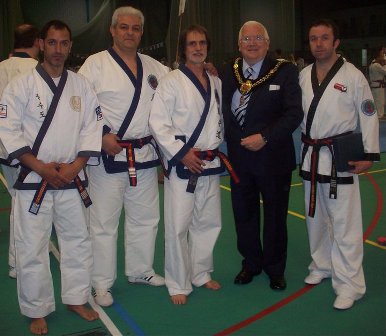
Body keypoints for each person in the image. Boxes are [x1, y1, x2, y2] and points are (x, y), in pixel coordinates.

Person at [0, 20, 101, 334]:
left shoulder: (81, 85)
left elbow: (92, 127)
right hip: (34, 179)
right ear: (41, 44)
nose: (58, 49)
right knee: (32, 246)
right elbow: (8, 130)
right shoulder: (21, 85)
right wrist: (41, 167)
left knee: (78, 241)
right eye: (53, 42)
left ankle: (76, 297)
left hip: (72, 177)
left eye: (64, 43)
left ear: (70, 46)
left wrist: (75, 165)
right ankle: (37, 308)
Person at [78, 6, 169, 307]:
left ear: (141, 33)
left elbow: (178, 92)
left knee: (145, 218)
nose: (130, 33)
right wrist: (101, 134)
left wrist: (206, 71)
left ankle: (140, 270)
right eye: (124, 27)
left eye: (135, 28)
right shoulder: (95, 64)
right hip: (109, 156)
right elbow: (80, 104)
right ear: (113, 30)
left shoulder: (155, 67)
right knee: (103, 222)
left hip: (143, 154)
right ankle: (101, 283)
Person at [299, 19, 380, 310]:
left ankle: (350, 284)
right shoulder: (304, 75)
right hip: (312, 154)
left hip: (340, 156)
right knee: (315, 217)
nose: (318, 43)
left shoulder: (353, 75)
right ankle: (321, 264)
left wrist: (368, 154)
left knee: (345, 223)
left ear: (336, 42)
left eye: (324, 38)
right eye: (313, 38)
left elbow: (368, 113)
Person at [220, 21, 302, 290]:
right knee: (243, 215)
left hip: (273, 158)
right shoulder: (226, 72)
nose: (252, 43)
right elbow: (221, 111)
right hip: (239, 160)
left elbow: (293, 113)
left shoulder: (285, 72)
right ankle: (251, 264)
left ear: (267, 43)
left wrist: (264, 137)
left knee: (276, 217)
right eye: (246, 39)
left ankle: (275, 268)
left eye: (258, 38)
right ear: (238, 44)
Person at [150, 24, 224, 305]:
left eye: (202, 43)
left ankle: (201, 273)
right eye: (192, 43)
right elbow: (158, 122)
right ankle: (178, 282)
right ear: (183, 49)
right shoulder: (170, 82)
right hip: (184, 163)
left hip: (209, 160)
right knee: (178, 226)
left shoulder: (215, 80)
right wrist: (181, 153)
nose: (198, 47)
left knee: (208, 222)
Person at [0, 23, 40, 279]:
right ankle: (18, 260)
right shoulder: (37, 70)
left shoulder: (1, 67)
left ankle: (28, 252)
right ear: (38, 41)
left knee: (21, 200)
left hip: (5, 148)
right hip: (27, 149)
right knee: (26, 203)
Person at [369, 46, 386, 119]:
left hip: (377, 87)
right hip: (378, 87)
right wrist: (385, 63)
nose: (383, 55)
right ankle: (379, 118)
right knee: (380, 104)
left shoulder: (373, 63)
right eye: (382, 53)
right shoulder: (376, 65)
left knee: (378, 104)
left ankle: (379, 117)